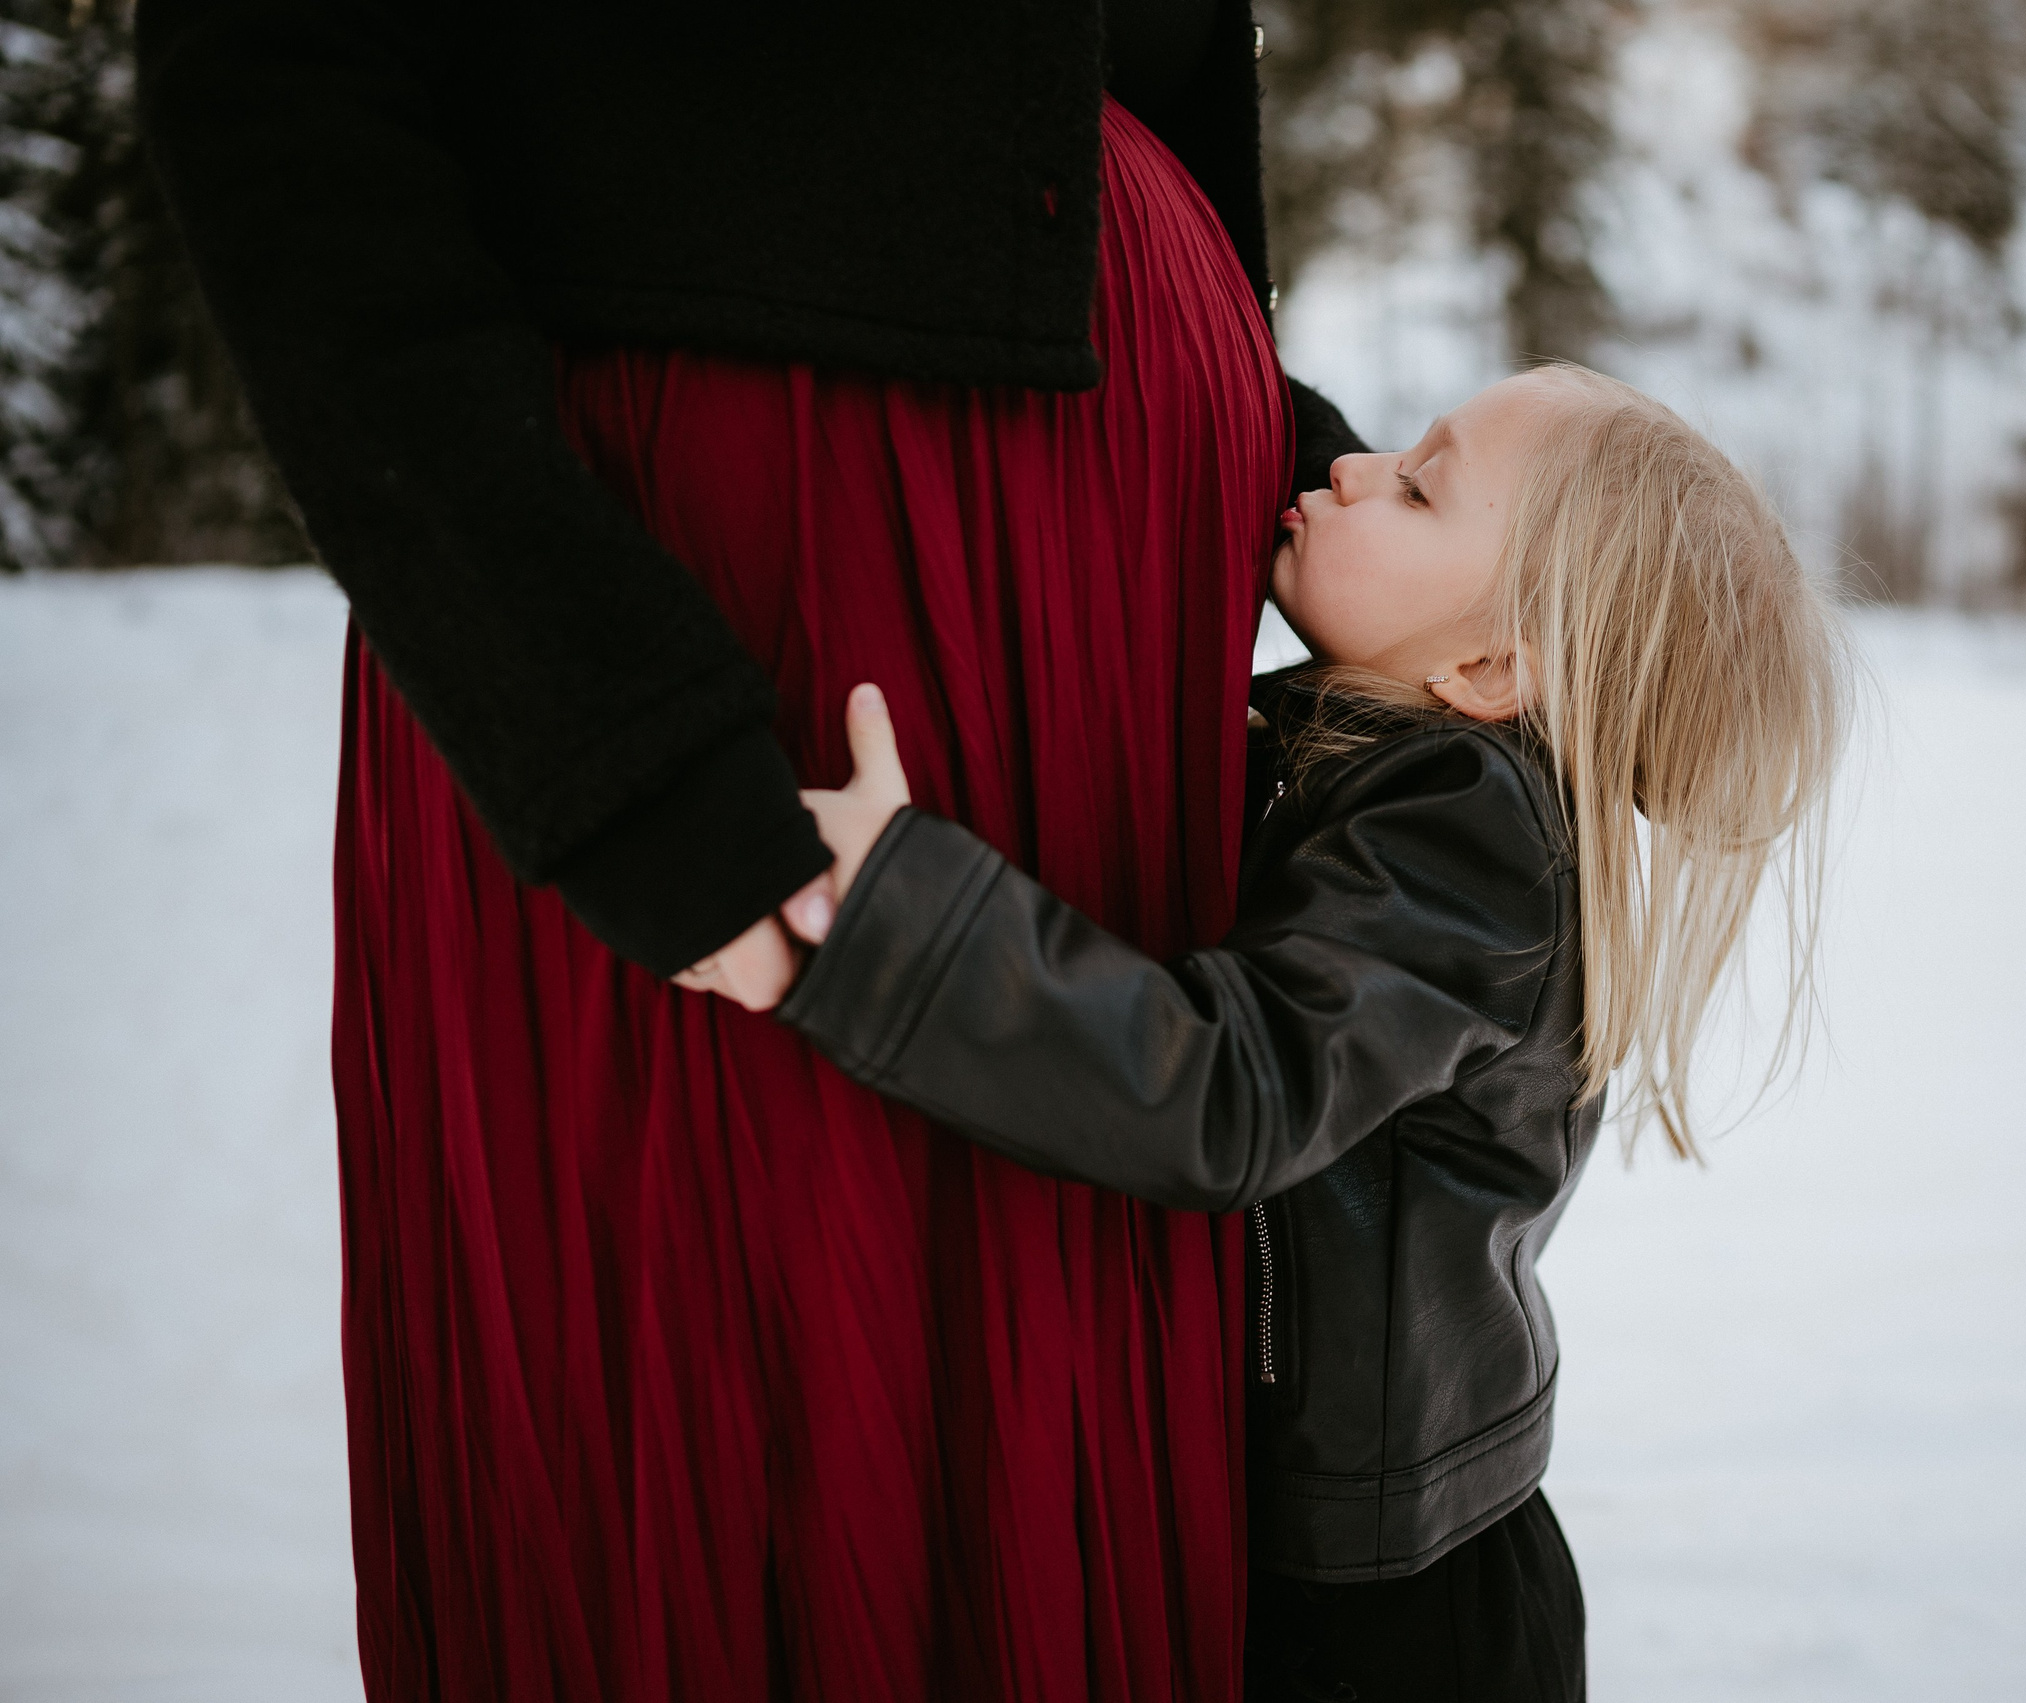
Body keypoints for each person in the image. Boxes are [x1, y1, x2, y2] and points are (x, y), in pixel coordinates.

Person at [138, 2, 1364, 1696]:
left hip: (1095, 620)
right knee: (745, 1440)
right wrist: (604, 732)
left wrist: (1305, 454)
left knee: (1041, 1422)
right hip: (718, 591)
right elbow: (278, 78)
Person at [750, 366, 1855, 1702]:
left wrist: (900, 920)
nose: (1351, 468)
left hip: (1392, 1620)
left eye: (1417, 485)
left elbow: (1234, 1090)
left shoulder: (1472, 840)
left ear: (1486, 667)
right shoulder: (1398, 752)